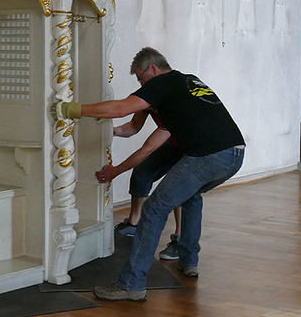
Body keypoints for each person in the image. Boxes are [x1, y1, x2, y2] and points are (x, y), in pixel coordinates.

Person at [54, 47, 245, 301]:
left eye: (141, 78)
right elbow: (133, 126)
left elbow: (122, 108)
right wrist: (107, 130)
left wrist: (73, 110)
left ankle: (131, 284)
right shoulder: (186, 82)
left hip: (208, 155)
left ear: (152, 69)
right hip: (234, 153)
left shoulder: (161, 84)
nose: (141, 85)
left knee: (154, 209)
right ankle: (189, 260)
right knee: (190, 196)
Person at [96, 108, 184, 260]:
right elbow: (133, 126)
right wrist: (113, 131)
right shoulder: (147, 96)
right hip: (173, 141)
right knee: (142, 174)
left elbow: (148, 148)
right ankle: (133, 225)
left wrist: (116, 171)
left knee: (179, 186)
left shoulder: (171, 98)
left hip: (194, 144)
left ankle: (181, 239)